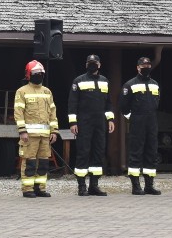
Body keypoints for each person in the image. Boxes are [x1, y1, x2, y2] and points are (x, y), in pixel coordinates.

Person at [67, 54, 115, 196]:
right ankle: (81, 186)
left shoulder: (105, 81)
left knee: (98, 152)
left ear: (99, 65)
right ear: (86, 64)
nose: (93, 65)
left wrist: (110, 120)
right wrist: (73, 122)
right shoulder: (79, 81)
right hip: (84, 122)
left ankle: (94, 186)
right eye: (90, 63)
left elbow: (109, 103)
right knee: (83, 152)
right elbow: (72, 103)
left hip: (100, 123)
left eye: (95, 63)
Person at [15, 60, 59, 198]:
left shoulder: (47, 92)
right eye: (35, 73)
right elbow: (18, 112)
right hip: (29, 135)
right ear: (28, 74)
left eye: (41, 73)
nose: (39, 75)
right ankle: (28, 189)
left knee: (43, 163)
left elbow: (52, 113)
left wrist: (54, 131)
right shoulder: (22, 91)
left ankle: (40, 188)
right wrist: (22, 131)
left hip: (45, 136)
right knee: (30, 162)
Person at [121, 56, 161, 195]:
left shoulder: (155, 84)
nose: (146, 68)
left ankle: (149, 185)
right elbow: (123, 105)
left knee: (151, 152)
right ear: (138, 67)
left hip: (152, 120)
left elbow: (157, 101)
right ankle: (135, 185)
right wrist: (131, 118)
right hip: (137, 120)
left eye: (148, 66)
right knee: (136, 152)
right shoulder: (130, 84)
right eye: (143, 66)